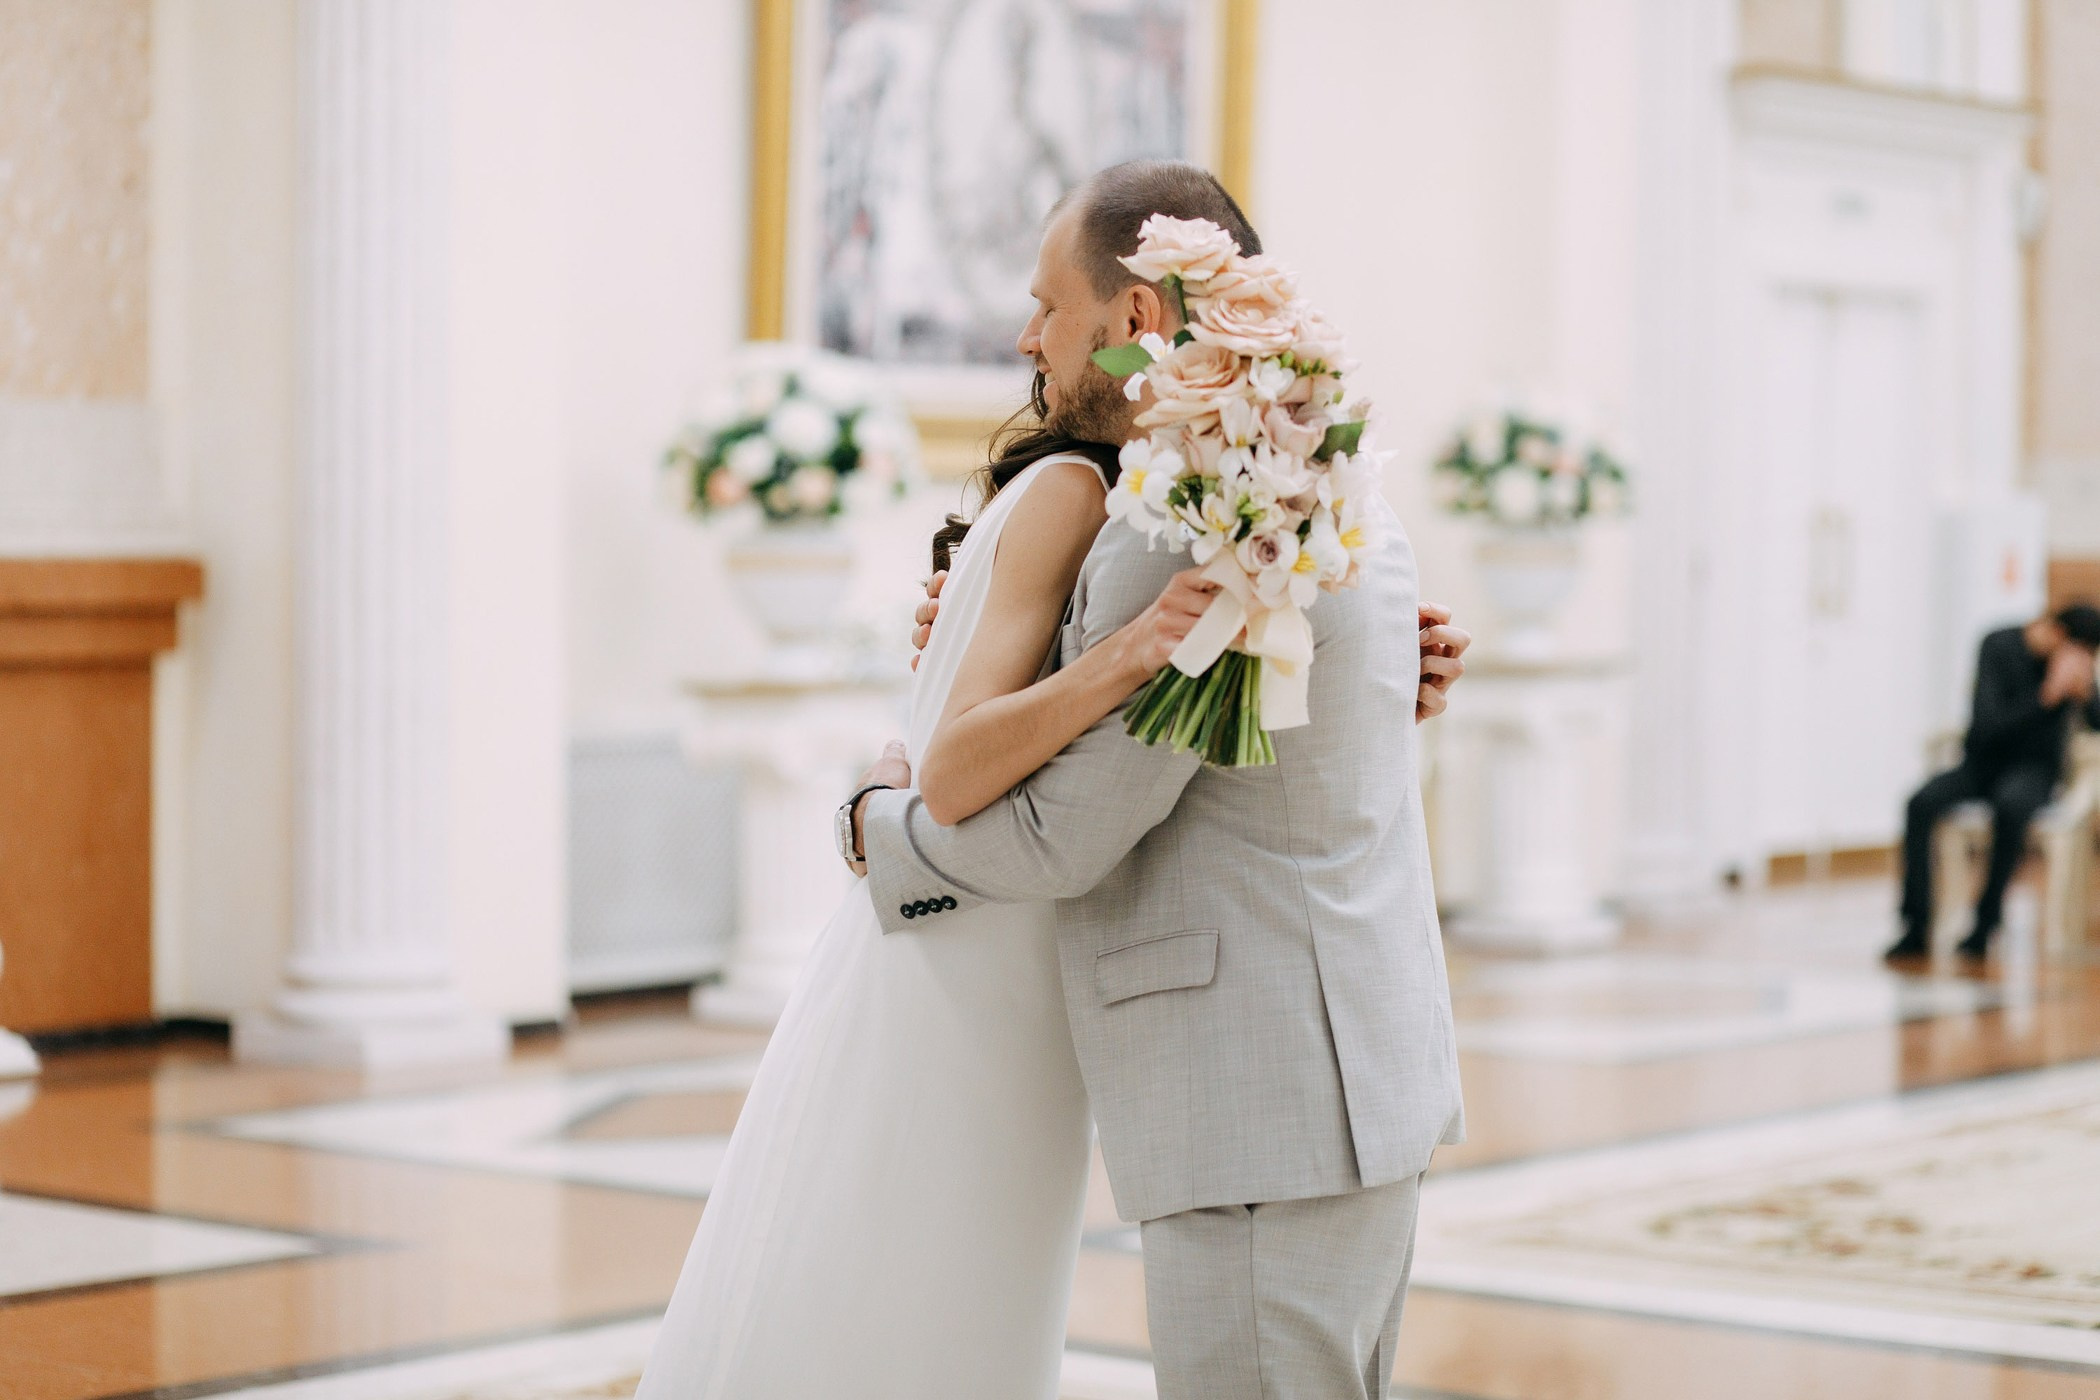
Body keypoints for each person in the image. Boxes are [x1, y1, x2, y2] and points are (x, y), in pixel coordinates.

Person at [635, 161, 1469, 1400]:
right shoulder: (1333, 482)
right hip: (1356, 1073)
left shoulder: (1178, 522)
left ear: (1135, 319)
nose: (1028, 336)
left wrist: (882, 832)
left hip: (1259, 1097)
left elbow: (1060, 837)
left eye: (1048, 303)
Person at [1887, 603, 2100, 963]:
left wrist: (2085, 694)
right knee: (1919, 802)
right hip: (1982, 764)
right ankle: (1916, 925)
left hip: (2034, 771)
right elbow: (1988, 727)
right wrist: (2046, 697)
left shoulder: (2072, 667)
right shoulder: (1998, 646)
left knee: (2012, 805)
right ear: (2060, 635)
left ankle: (1985, 924)